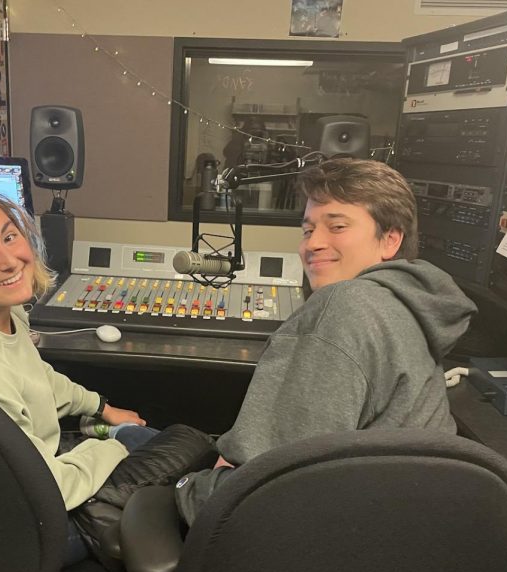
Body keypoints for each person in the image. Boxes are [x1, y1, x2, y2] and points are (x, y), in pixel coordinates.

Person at [0, 188, 212, 565]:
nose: (10, 260)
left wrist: (103, 408)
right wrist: (112, 449)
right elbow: (47, 487)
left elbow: (38, 377)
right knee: (193, 446)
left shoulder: (0, 317)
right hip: (27, 527)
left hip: (26, 478)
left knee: (146, 437)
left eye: (9, 236)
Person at [174, 158, 478, 524]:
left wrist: (187, 487)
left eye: (337, 226)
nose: (313, 244)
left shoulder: (344, 304)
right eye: (307, 230)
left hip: (307, 542)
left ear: (391, 239)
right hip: (384, 531)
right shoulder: (408, 302)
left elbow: (262, 491)